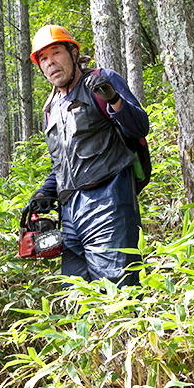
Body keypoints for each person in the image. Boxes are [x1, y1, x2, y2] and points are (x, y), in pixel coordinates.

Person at [30, 24, 150, 286]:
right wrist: (43, 193)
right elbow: (63, 165)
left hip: (109, 202)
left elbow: (140, 127)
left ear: (73, 53)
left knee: (118, 291)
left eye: (56, 53)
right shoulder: (51, 108)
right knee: (76, 295)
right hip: (71, 215)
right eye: (44, 59)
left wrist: (113, 99)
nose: (51, 63)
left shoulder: (102, 80)